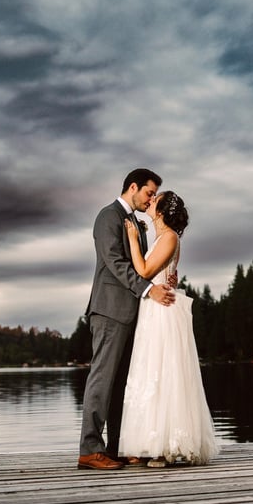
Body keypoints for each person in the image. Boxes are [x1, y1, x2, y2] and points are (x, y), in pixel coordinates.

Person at [77, 168, 179, 471]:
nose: (150, 201)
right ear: (132, 187)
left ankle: (117, 448)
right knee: (102, 379)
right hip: (109, 310)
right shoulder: (107, 217)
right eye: (148, 193)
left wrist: (164, 278)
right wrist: (149, 289)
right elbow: (116, 262)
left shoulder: (136, 223)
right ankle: (90, 449)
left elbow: (144, 264)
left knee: (123, 383)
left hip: (133, 312)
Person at [119, 191, 220, 467]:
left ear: (162, 211)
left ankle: (165, 448)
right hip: (154, 309)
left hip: (163, 312)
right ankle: (153, 443)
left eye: (155, 200)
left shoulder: (170, 237)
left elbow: (143, 271)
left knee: (164, 372)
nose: (150, 202)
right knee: (152, 372)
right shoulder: (162, 238)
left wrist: (131, 241)